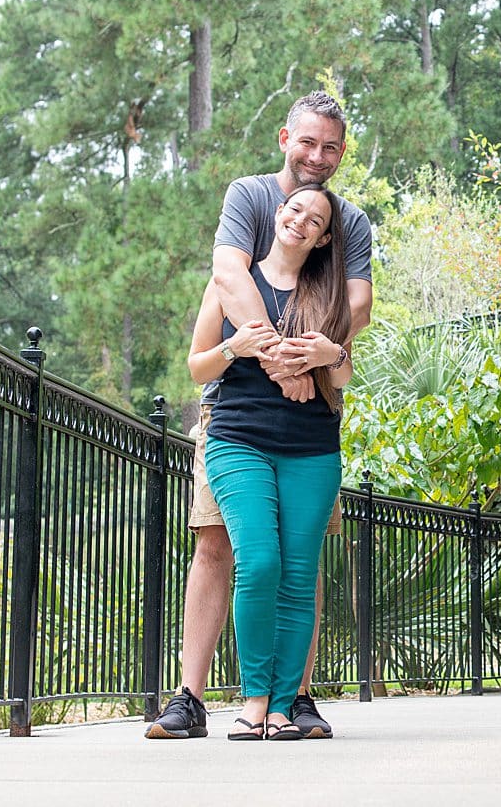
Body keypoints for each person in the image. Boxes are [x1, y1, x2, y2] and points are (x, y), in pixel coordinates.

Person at [146, 91, 372, 740]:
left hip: (310, 421)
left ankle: (293, 700)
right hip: (236, 413)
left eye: (330, 146)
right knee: (220, 542)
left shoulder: (349, 221)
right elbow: (227, 275)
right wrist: (279, 357)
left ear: (341, 152)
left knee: (300, 558)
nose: (317, 156)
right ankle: (190, 696)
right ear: (284, 138)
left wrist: (313, 363)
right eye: (308, 142)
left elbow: (355, 305)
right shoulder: (249, 196)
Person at [188, 183, 351, 739]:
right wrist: (239, 346)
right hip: (239, 440)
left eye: (315, 219)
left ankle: (284, 707)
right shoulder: (233, 282)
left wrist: (333, 355)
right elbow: (197, 367)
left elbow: (344, 376)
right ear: (278, 213)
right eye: (295, 209)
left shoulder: (328, 295)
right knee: (258, 563)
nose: (301, 221)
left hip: (312, 449)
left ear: (324, 236)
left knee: (299, 577)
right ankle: (254, 699)